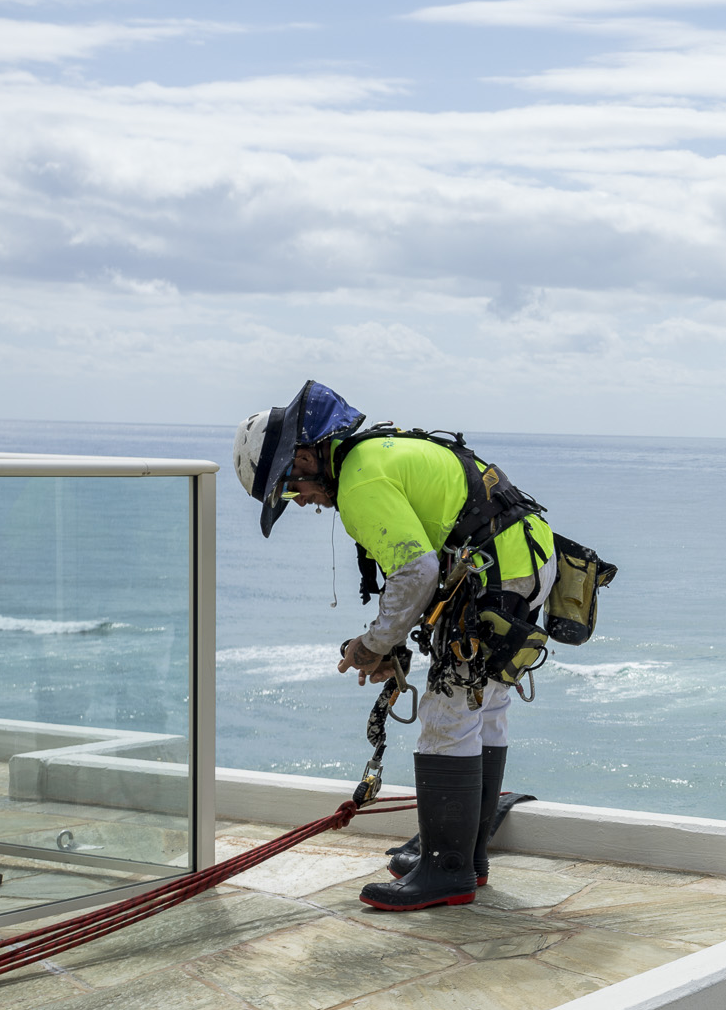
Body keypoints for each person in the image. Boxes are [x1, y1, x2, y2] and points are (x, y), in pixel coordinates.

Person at [232, 380, 556, 912]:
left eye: (291, 490)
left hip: (495, 573)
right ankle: (466, 857)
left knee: (447, 718)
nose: (303, 502)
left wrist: (373, 645)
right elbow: (427, 564)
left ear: (305, 457)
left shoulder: (359, 482)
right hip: (525, 560)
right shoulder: (377, 454)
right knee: (485, 706)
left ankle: (446, 872)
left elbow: (416, 571)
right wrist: (391, 643)